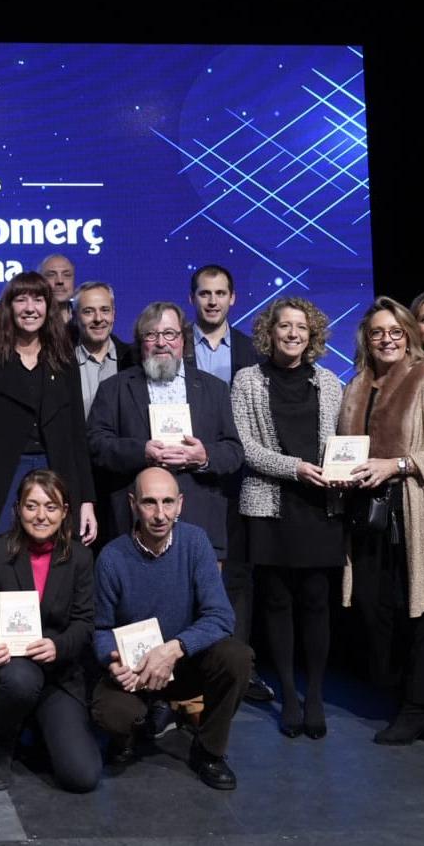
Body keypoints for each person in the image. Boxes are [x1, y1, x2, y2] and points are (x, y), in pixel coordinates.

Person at [91, 467, 252, 790]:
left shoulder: (196, 542)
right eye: (150, 503)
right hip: (135, 672)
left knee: (238, 658)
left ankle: (208, 751)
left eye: (168, 502)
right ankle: (130, 734)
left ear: (180, 504)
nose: (160, 514)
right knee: (112, 714)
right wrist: (112, 661)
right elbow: (99, 628)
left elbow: (221, 617)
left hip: (185, 663)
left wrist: (174, 648)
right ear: (133, 504)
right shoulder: (112, 557)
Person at [231, 298, 343, 738]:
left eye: (302, 327)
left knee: (316, 601)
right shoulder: (247, 381)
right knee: (276, 602)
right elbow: (248, 448)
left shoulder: (330, 382)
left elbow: (342, 441)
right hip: (269, 504)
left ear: (312, 334)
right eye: (285, 326)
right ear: (270, 332)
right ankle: (290, 696)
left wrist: (337, 469)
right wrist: (294, 467)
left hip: (320, 505)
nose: (293, 333)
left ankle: (315, 694)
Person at [0, 469, 101, 793]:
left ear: (65, 512)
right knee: (21, 679)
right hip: (10, 671)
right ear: (17, 509)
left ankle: (40, 726)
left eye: (51, 506)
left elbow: (85, 623)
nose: (41, 516)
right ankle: (2, 746)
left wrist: (58, 646)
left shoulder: (81, 558)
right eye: (31, 506)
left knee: (81, 776)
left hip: (58, 675)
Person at [336, 296, 424, 744]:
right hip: (366, 515)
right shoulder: (356, 386)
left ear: (408, 334)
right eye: (377, 333)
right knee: (375, 608)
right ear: (366, 341)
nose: (387, 339)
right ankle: (401, 696)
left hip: (413, 511)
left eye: (395, 331)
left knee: (418, 610)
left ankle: (415, 708)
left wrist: (399, 466)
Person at [87, 301, 244, 559]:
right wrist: (142, 451)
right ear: (141, 342)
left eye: (170, 333)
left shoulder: (214, 388)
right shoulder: (114, 388)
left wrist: (203, 456)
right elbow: (96, 444)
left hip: (200, 523)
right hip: (132, 527)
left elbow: (234, 451)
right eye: (151, 334)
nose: (161, 342)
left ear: (183, 339)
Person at [0, 272, 97, 544]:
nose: (30, 308)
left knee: (57, 560)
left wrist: (87, 500)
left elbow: (76, 437)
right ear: (9, 307)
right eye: (21, 300)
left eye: (38, 300)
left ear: (49, 306)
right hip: (2, 479)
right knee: (1, 556)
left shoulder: (64, 359)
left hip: (55, 472)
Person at [183, 264, 269, 702]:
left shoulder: (253, 351)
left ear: (233, 298)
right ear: (193, 298)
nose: (212, 301)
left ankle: (241, 664)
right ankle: (188, 668)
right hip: (190, 478)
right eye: (204, 293)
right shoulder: (175, 347)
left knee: (237, 575)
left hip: (240, 478)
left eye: (220, 293)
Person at [72, 281, 136, 420]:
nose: (98, 318)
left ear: (114, 314)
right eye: (88, 311)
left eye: (105, 310)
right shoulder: (60, 362)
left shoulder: (134, 360)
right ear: (75, 316)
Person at [39, 253, 75, 326]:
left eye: (67, 275)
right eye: (51, 275)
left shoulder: (83, 319)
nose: (60, 281)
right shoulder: (31, 322)